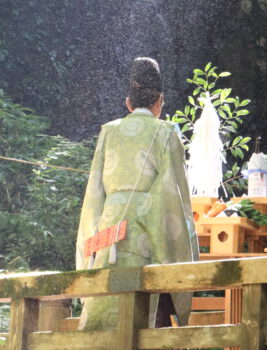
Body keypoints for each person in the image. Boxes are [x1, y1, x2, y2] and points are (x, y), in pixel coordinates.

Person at [75, 57, 199, 330]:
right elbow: (173, 194)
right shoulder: (166, 132)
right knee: (150, 314)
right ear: (160, 103)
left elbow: (94, 191)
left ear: (128, 103)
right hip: (147, 230)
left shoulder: (108, 131)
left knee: (106, 308)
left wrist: (90, 242)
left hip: (110, 230)